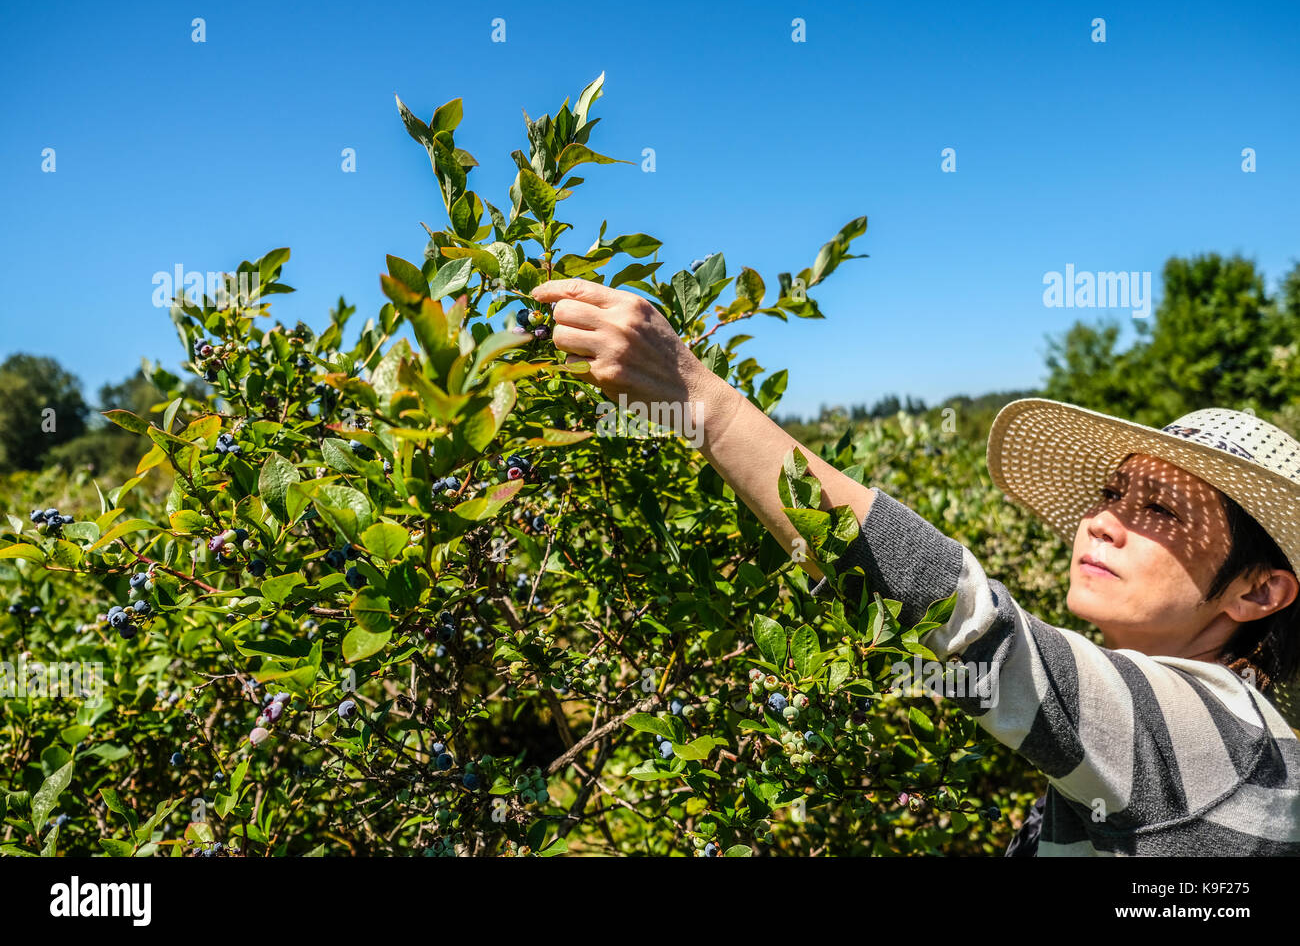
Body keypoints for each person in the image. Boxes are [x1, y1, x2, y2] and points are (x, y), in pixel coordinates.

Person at [532, 276, 1300, 856]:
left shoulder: (1224, 740)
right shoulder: (1168, 738)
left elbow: (967, 623)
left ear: (1258, 591)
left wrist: (703, 401)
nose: (1100, 520)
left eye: (1159, 510)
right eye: (1112, 493)